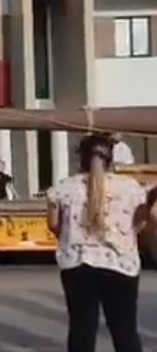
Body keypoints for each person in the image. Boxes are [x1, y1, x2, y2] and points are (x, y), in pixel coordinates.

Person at [46, 133, 154, 352]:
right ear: (110, 159)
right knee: (124, 331)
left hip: (77, 264)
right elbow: (142, 219)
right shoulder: (130, 188)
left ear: (81, 159)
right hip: (120, 265)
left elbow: (54, 224)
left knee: (81, 329)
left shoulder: (63, 188)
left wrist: (72, 237)